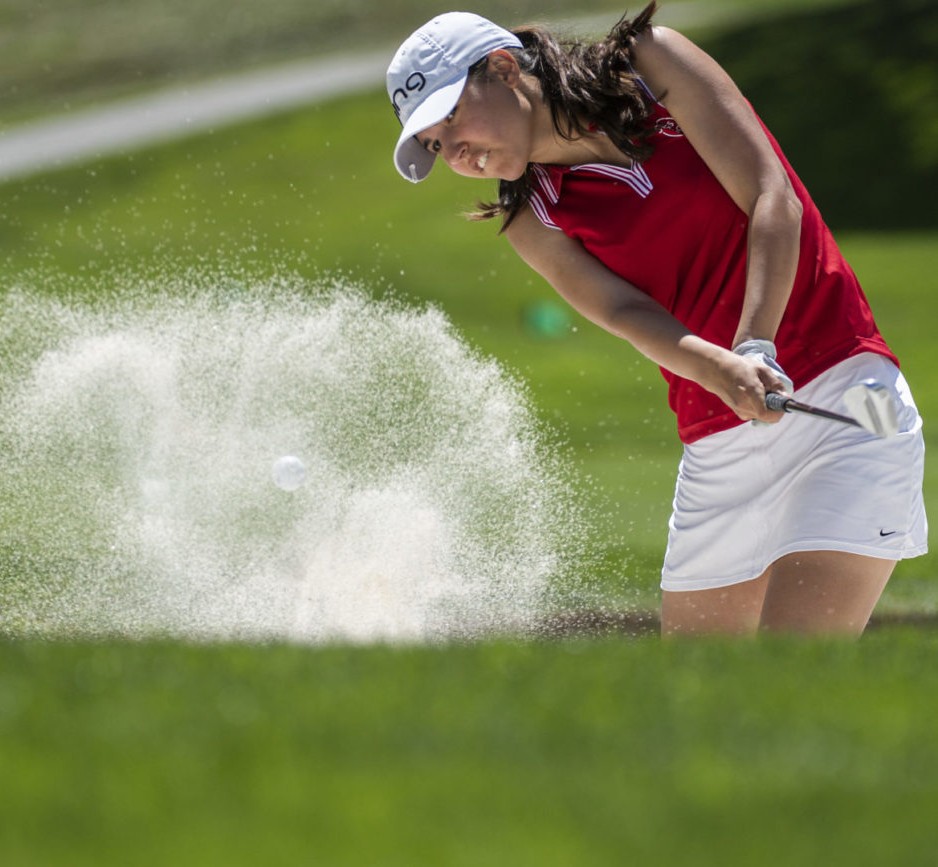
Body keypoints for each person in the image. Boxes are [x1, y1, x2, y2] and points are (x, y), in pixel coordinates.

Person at [386, 3, 927, 636]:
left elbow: (769, 195)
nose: (454, 153)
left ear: (503, 69)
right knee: (698, 708)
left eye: (449, 119)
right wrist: (723, 368)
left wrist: (755, 344)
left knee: (799, 671)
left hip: (844, 391)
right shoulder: (534, 217)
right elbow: (624, 311)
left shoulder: (652, 65)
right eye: (433, 145)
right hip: (716, 441)